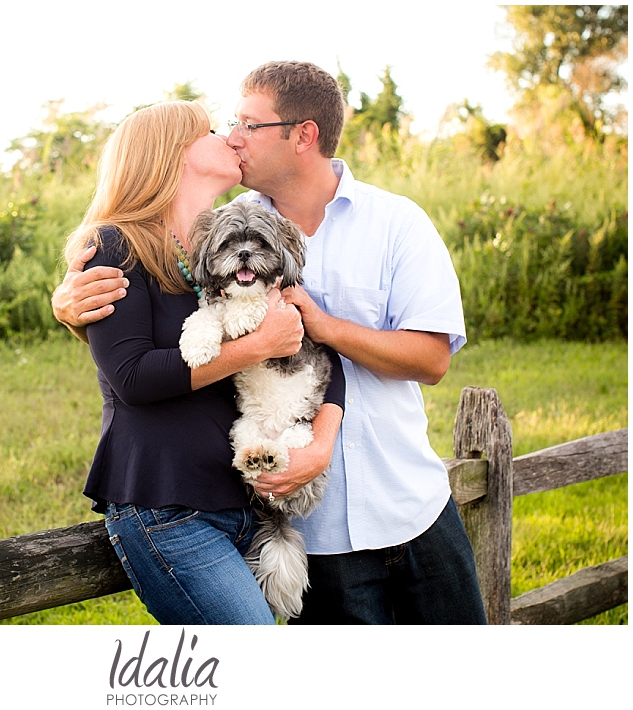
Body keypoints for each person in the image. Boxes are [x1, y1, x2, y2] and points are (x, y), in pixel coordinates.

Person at [53, 62, 487, 625]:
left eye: (246, 124)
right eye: (222, 126)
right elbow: (137, 343)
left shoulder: (394, 223)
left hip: (406, 500)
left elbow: (426, 359)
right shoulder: (220, 232)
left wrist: (321, 333)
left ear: (303, 135)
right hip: (298, 521)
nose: (232, 136)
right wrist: (67, 308)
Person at [62, 99, 346, 625]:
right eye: (215, 130)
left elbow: (313, 353)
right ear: (175, 153)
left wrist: (322, 442)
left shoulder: (219, 248)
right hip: (167, 505)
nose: (232, 138)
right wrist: (255, 345)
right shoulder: (115, 246)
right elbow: (132, 378)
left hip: (242, 503)